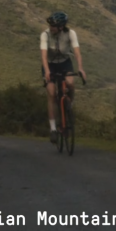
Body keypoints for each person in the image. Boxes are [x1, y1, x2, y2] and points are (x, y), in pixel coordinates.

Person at [40, 11, 87, 143]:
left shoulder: (70, 33)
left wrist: (80, 68)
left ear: (61, 27)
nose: (51, 28)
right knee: (51, 92)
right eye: (50, 25)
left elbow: (77, 52)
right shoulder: (45, 35)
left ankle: (69, 103)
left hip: (65, 63)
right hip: (50, 64)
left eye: (54, 26)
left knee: (70, 83)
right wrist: (47, 71)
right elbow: (43, 55)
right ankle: (53, 128)